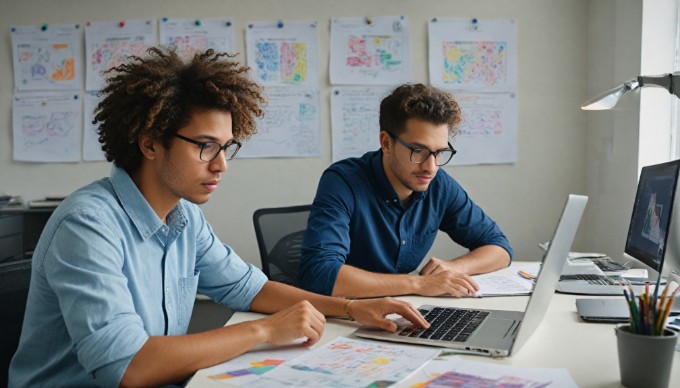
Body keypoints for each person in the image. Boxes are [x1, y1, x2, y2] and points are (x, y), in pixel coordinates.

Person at [8, 48, 428, 387]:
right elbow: (127, 367)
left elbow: (252, 288)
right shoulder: (88, 225)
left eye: (228, 147)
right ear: (150, 143)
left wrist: (352, 308)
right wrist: (264, 332)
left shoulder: (184, 217)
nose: (222, 165)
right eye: (206, 146)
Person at [299, 83, 512, 298]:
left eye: (439, 153)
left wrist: (454, 268)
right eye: (418, 151)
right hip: (345, 314)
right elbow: (319, 274)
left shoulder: (439, 185)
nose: (431, 167)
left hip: (403, 309)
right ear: (386, 143)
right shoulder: (342, 182)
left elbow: (499, 248)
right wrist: (419, 284)